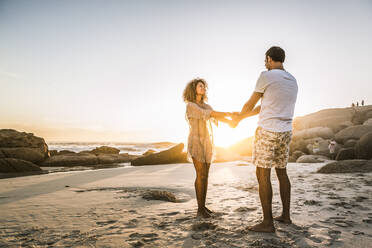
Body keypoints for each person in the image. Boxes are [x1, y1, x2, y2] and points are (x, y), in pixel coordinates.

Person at [231, 46, 298, 232]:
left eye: (265, 60)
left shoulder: (266, 76)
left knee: (262, 174)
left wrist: (237, 118)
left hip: (267, 130)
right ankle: (285, 216)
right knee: (282, 172)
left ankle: (268, 223)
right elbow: (264, 106)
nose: (264, 63)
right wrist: (243, 117)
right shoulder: (292, 80)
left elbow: (251, 103)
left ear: (269, 59)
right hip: (285, 131)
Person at [183, 78, 235, 218]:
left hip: (207, 143)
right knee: (200, 175)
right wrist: (229, 114)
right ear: (193, 88)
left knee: (205, 176)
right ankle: (200, 210)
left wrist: (233, 121)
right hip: (196, 142)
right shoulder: (191, 106)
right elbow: (210, 114)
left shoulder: (206, 105)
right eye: (200, 86)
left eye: (204, 86)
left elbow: (215, 115)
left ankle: (203, 206)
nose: (203, 88)